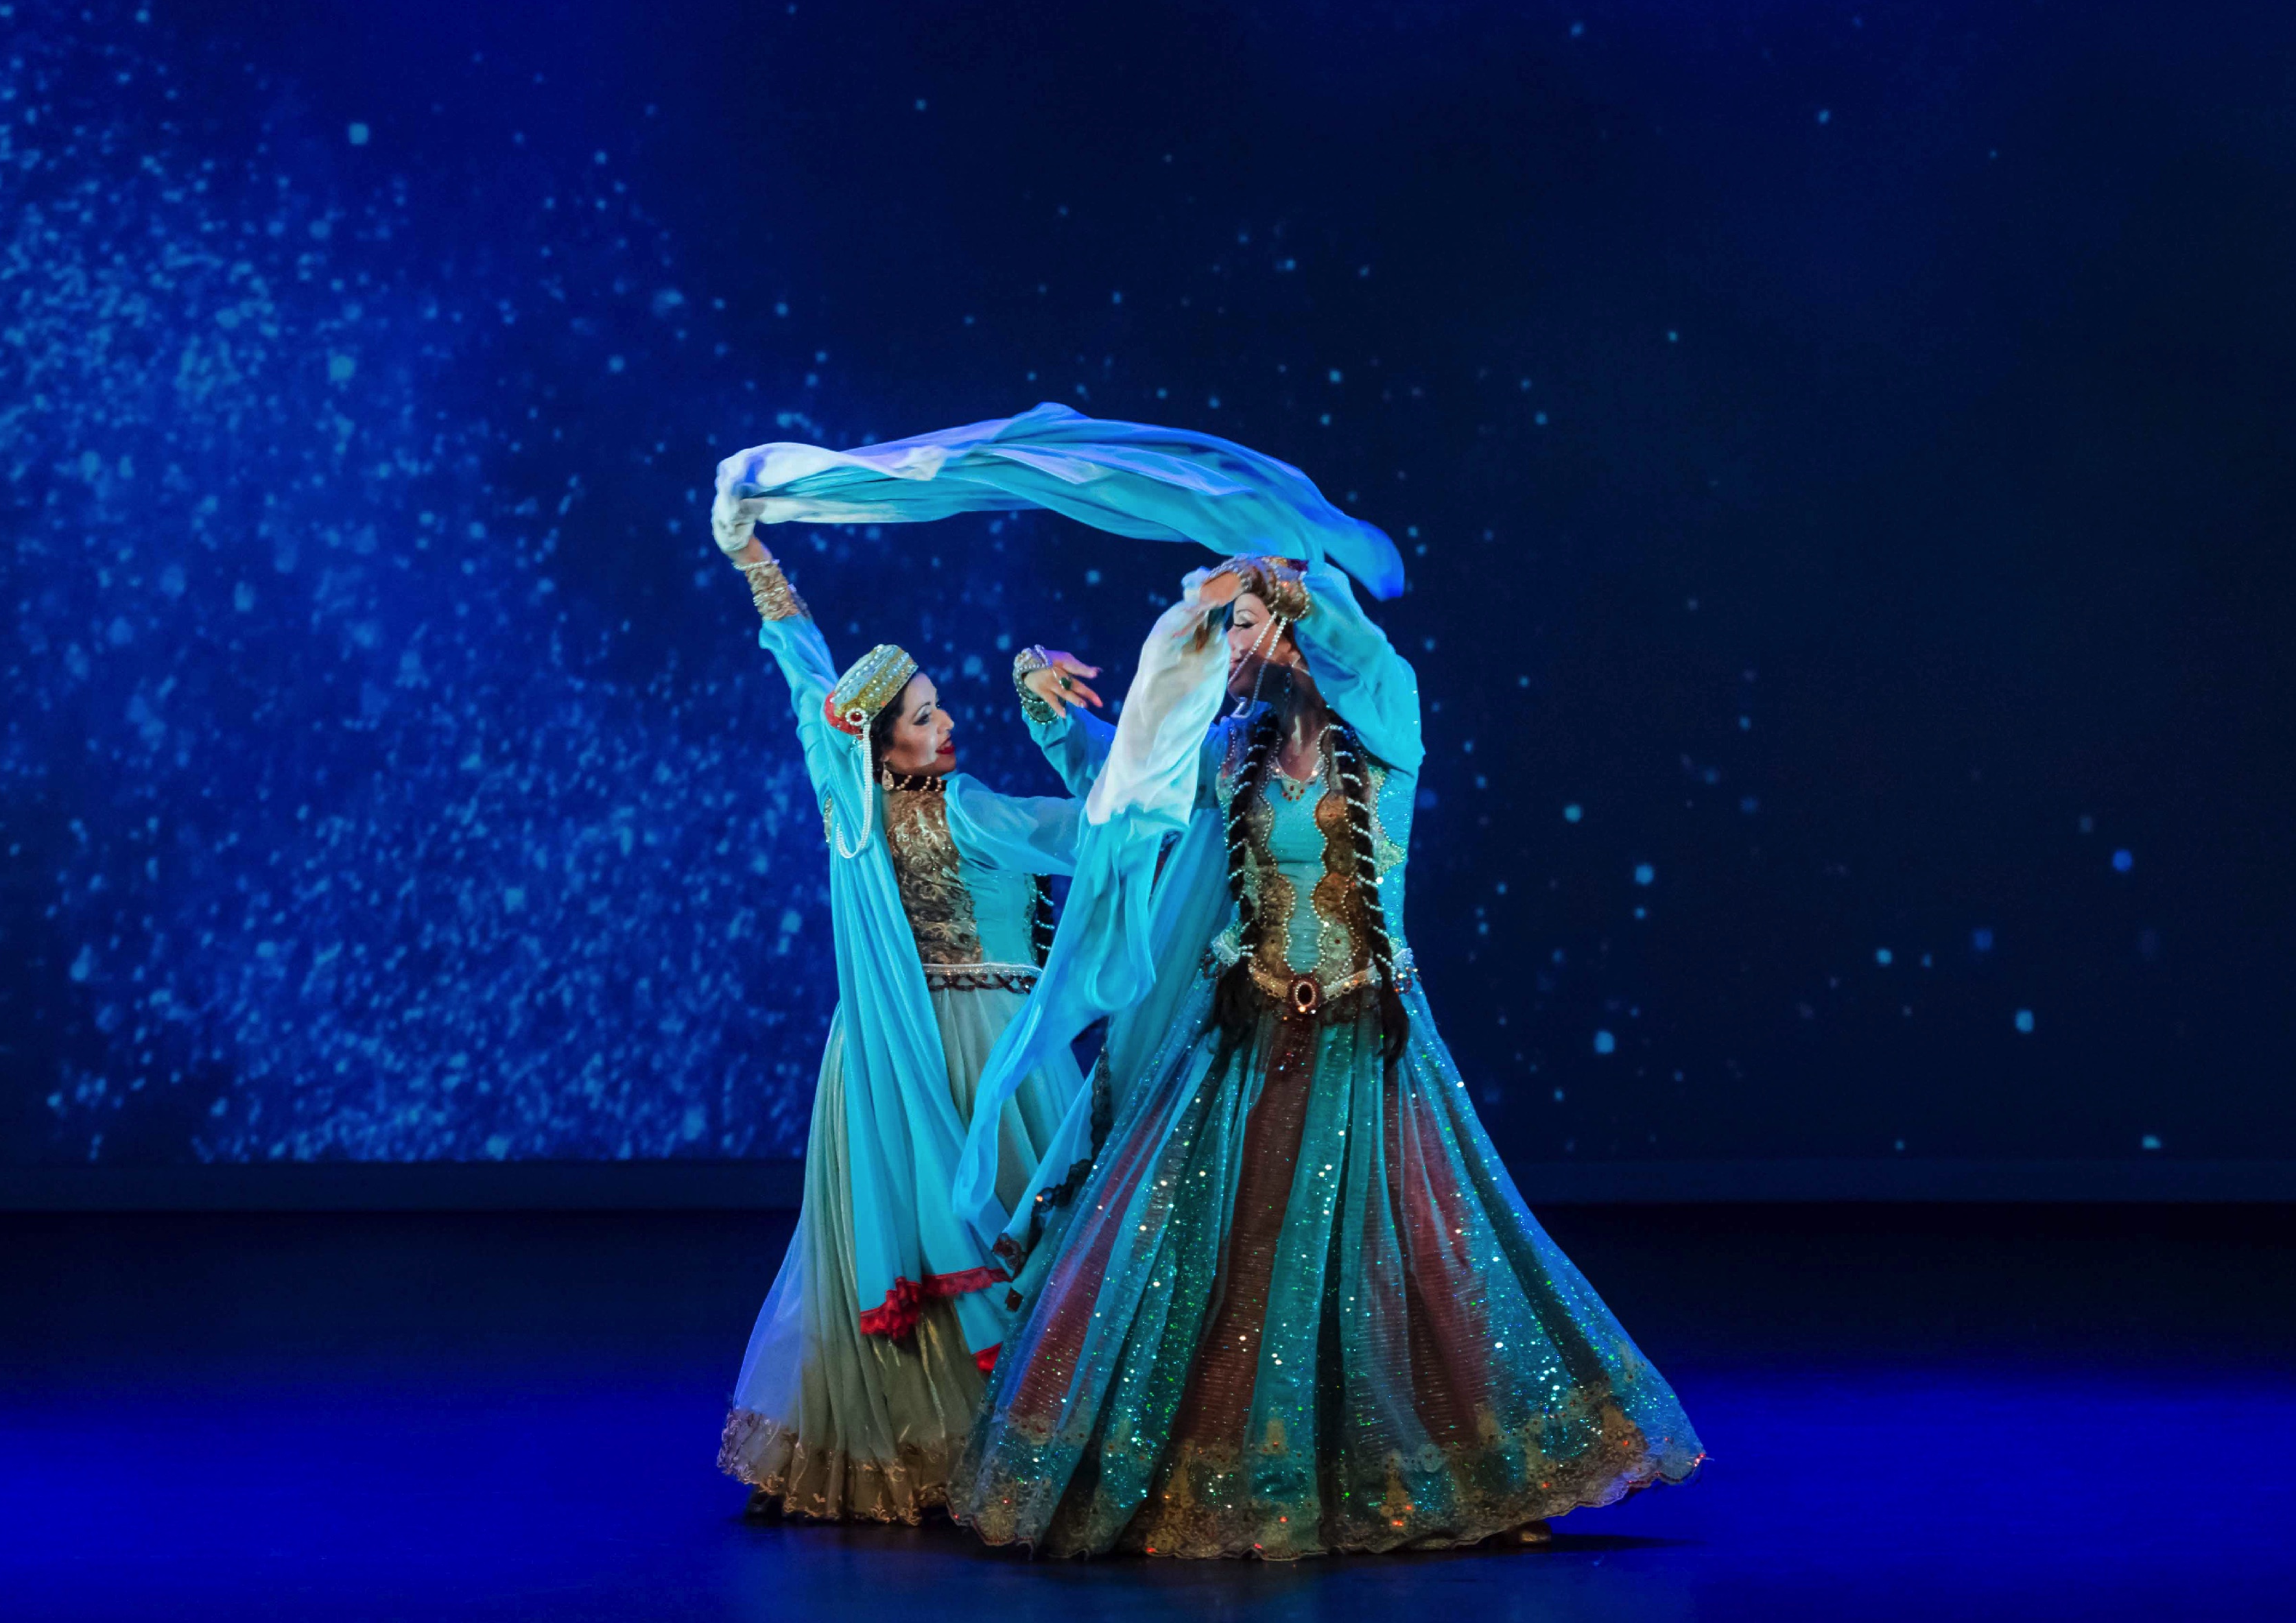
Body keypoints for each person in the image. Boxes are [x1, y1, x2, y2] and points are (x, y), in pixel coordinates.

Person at [947, 558, 1705, 1559]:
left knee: (1419, 1253)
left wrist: (1286, 582)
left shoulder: (1387, 729)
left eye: (1241, 625)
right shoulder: (1232, 751)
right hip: (1244, 1033)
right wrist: (1043, 703)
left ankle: (1480, 1475)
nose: (1224, 645)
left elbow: (1367, 652)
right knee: (1216, 1261)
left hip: (1367, 1035)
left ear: (1294, 633)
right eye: (1224, 629)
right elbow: (1122, 778)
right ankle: (1228, 1482)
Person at [711, 536, 1109, 1522]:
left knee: (870, 1244)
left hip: (874, 1060)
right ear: (885, 745)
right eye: (926, 717)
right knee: (1027, 1229)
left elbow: (806, 674)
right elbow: (1099, 827)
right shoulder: (965, 811)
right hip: (989, 1049)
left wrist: (757, 563)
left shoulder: (844, 796)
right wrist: (1050, 708)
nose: (947, 723)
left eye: (938, 708)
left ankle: (889, 1448)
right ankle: (1010, 1446)